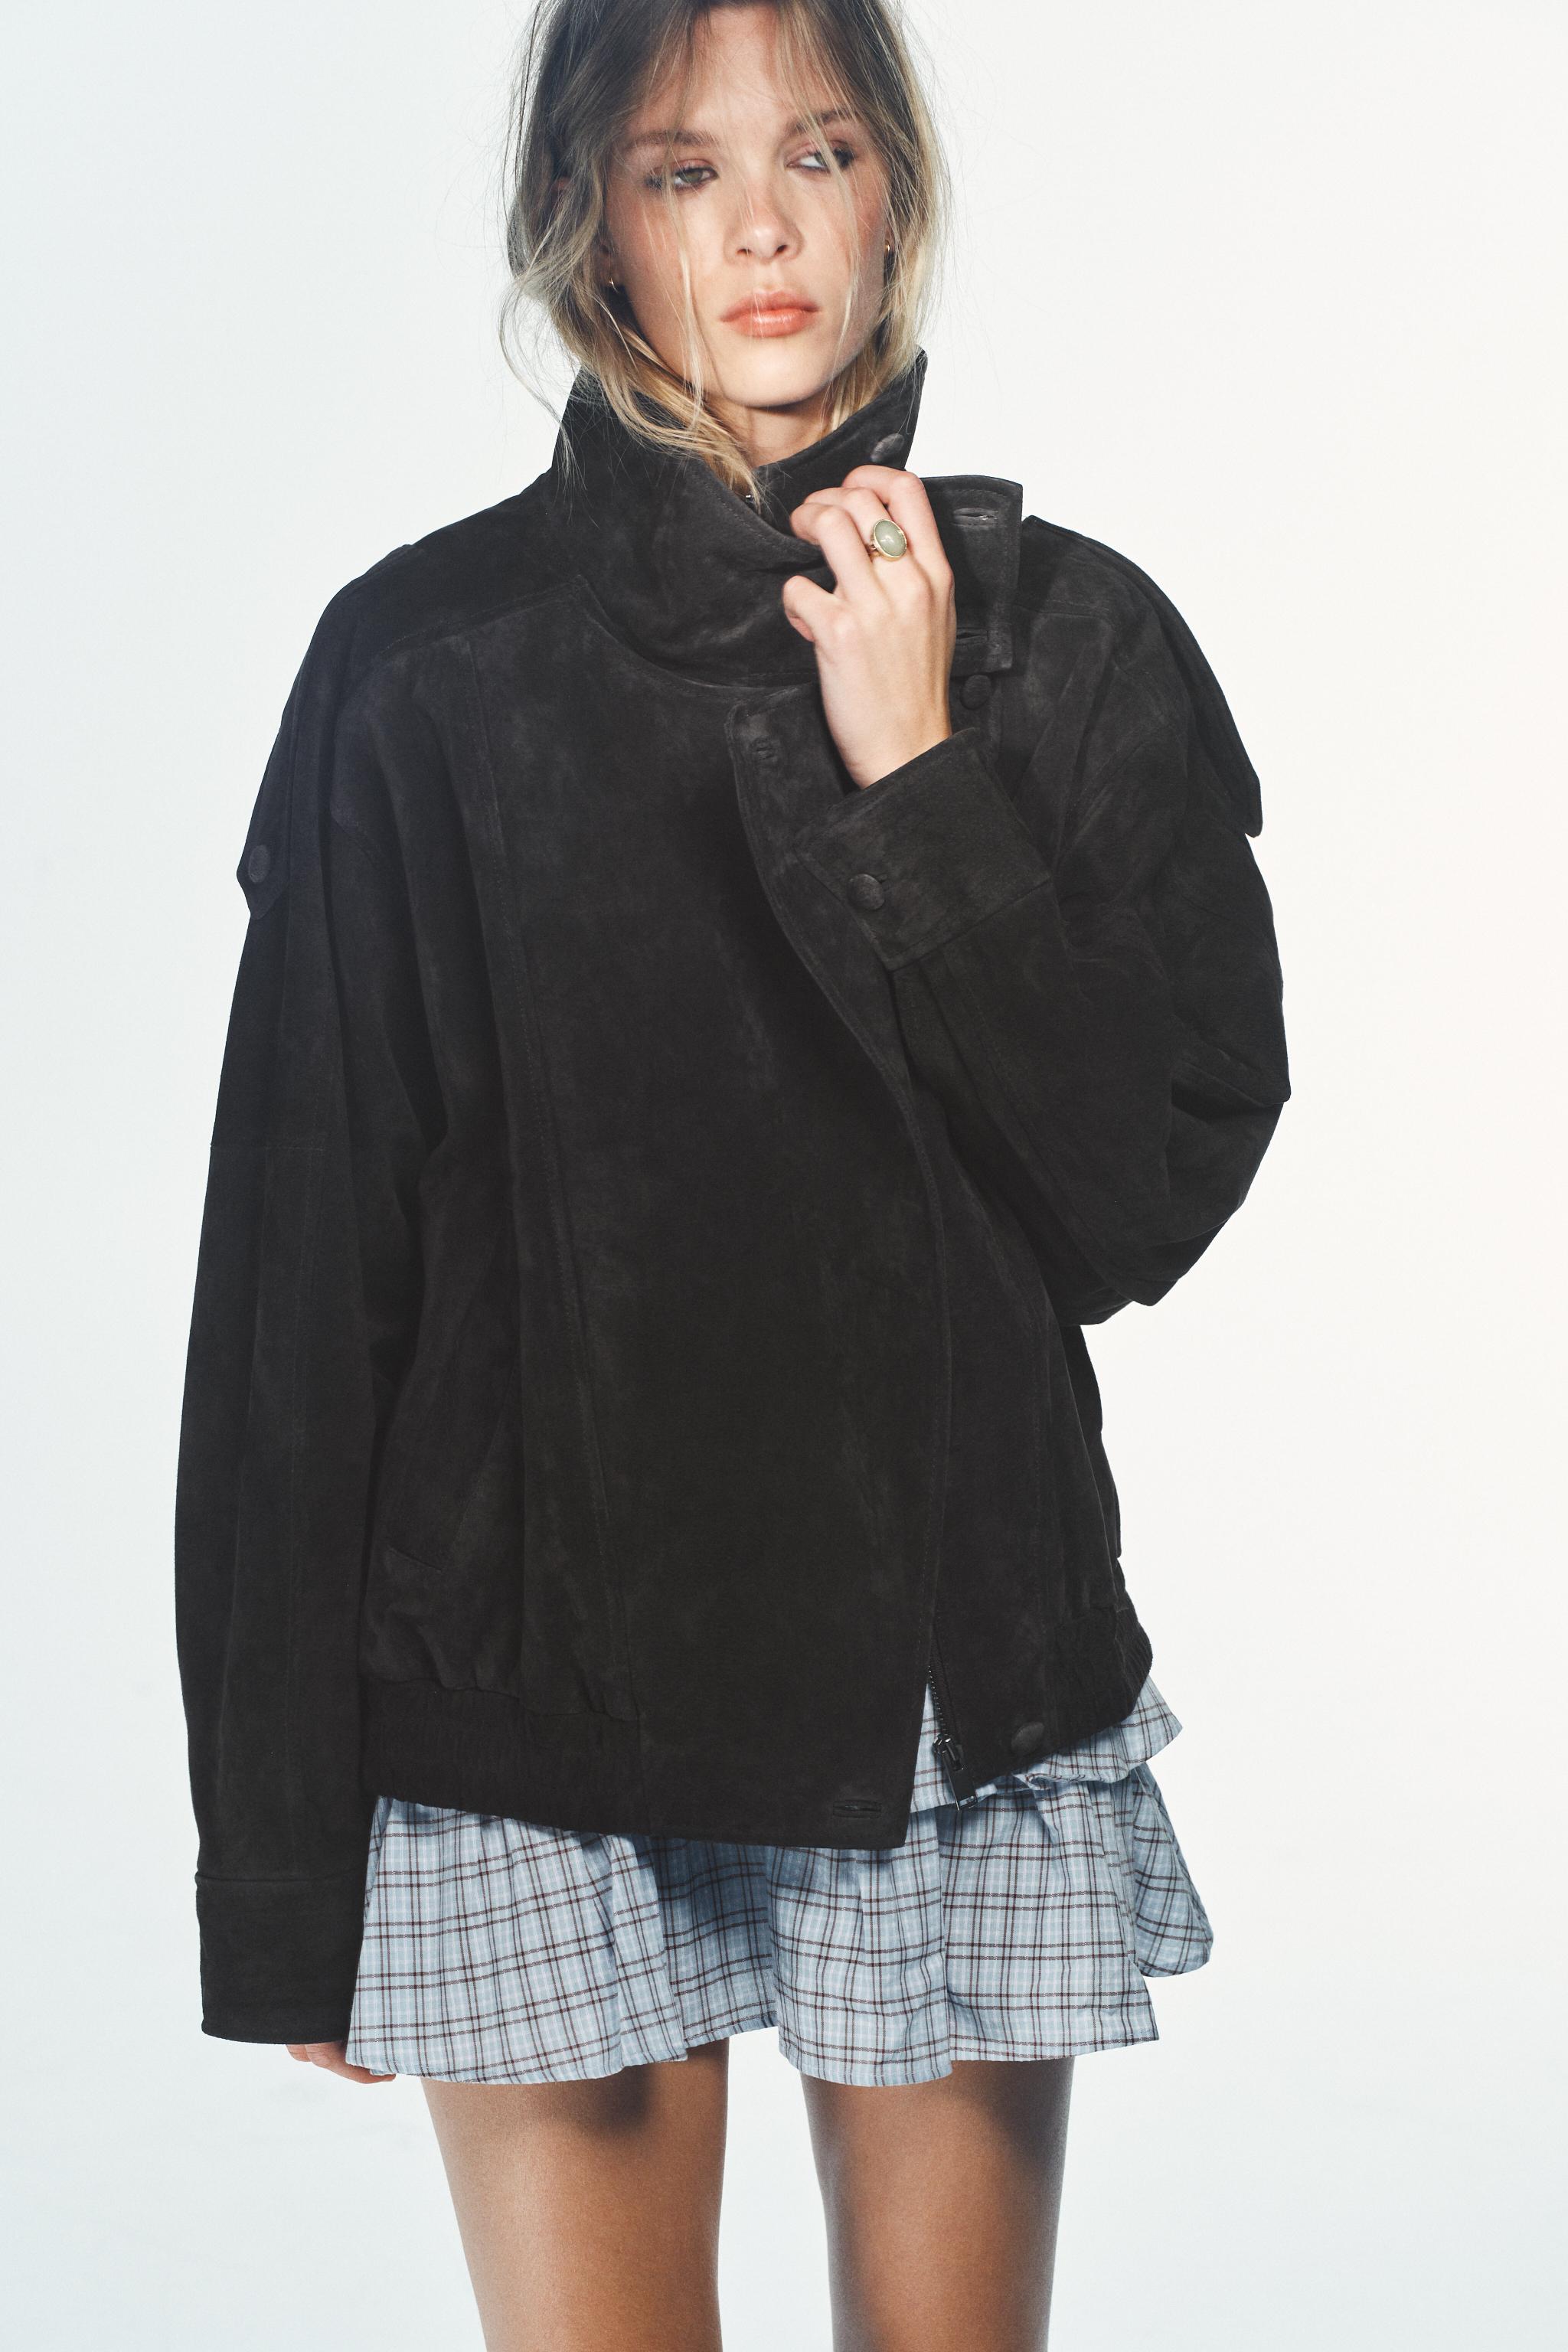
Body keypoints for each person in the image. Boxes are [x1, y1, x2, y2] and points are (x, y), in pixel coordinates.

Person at [173, 1, 1290, 2343]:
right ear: (592, 219)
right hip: (525, 1718)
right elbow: (299, 1281)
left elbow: (1145, 1194)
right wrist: (279, 1865)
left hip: (949, 1695)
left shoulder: (1068, 642)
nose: (764, 226)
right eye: (685, 170)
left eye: (822, 152)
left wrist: (925, 781)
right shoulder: (423, 668)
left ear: (899, 194)